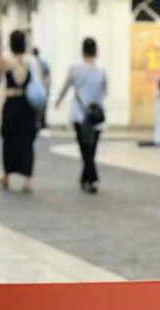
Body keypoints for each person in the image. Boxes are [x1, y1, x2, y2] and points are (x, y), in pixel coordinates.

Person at [0, 30, 40, 192]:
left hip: (11, 103)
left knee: (9, 139)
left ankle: (6, 175)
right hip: (27, 104)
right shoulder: (31, 61)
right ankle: (28, 179)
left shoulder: (5, 60)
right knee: (27, 140)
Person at [55, 37, 107, 193]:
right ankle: (86, 178)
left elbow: (66, 86)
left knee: (84, 149)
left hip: (79, 113)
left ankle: (93, 179)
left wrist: (58, 100)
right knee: (92, 148)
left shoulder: (75, 68)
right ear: (96, 51)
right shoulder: (102, 70)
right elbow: (105, 92)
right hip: (96, 114)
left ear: (82, 50)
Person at [32, 46, 51, 129]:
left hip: (33, 87)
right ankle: (42, 122)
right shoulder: (43, 62)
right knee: (43, 106)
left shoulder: (30, 63)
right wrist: (48, 86)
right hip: (42, 86)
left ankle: (36, 122)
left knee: (34, 105)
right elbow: (48, 75)